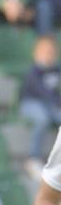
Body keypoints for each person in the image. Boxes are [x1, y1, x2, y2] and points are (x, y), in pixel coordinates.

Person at [20, 35, 61, 168]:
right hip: (31, 103)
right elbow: (43, 92)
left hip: (51, 104)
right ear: (36, 53)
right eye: (45, 51)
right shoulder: (34, 72)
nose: (49, 55)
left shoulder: (56, 70)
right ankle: (34, 157)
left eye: (51, 51)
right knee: (42, 119)